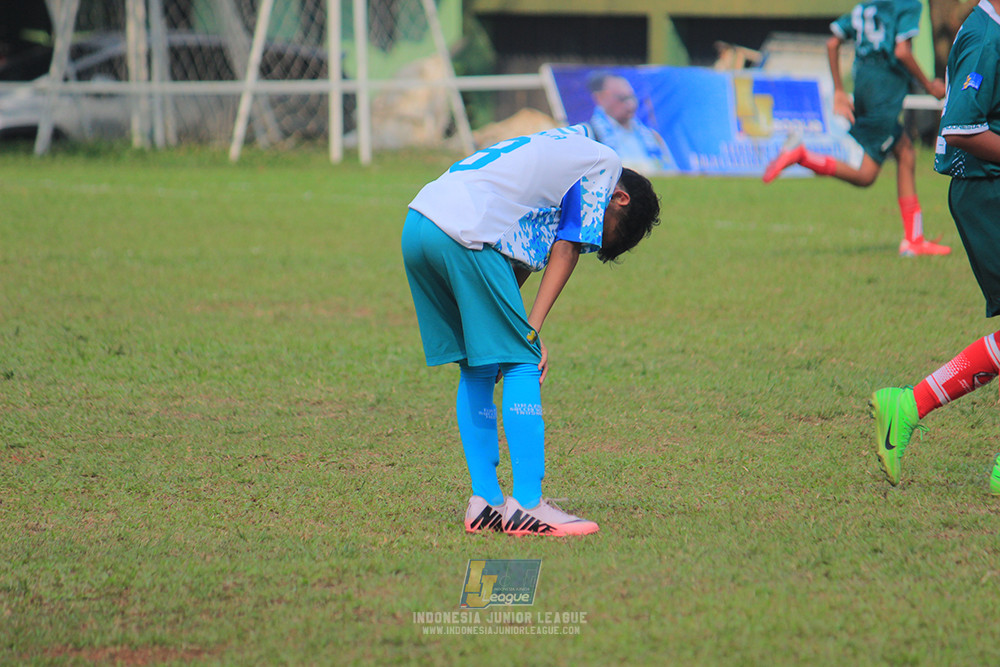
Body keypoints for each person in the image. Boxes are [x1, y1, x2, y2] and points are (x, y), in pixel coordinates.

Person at [401, 125, 660, 536]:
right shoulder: (603, 164)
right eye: (608, 235)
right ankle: (527, 504)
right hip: (467, 232)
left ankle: (484, 500)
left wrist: (515, 329)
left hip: (420, 225)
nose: (595, 240)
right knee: (522, 362)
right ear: (619, 199)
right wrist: (529, 334)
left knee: (479, 365)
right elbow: (568, 246)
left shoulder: (563, 150)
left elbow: (512, 264)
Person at [871, 0, 1000, 494]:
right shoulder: (987, 35)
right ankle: (910, 403)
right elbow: (963, 127)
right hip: (985, 192)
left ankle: (909, 404)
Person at [762, 0, 951, 257]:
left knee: (896, 158)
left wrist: (840, 90)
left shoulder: (867, 6)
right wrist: (929, 86)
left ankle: (914, 239)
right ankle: (913, 241)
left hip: (864, 84)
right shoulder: (907, 5)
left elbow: (832, 43)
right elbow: (902, 52)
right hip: (883, 89)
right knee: (883, 166)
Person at [587, 72, 677, 175]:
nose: (631, 105)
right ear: (600, 98)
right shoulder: (590, 136)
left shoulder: (652, 136)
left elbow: (671, 173)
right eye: (622, 98)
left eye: (632, 98)